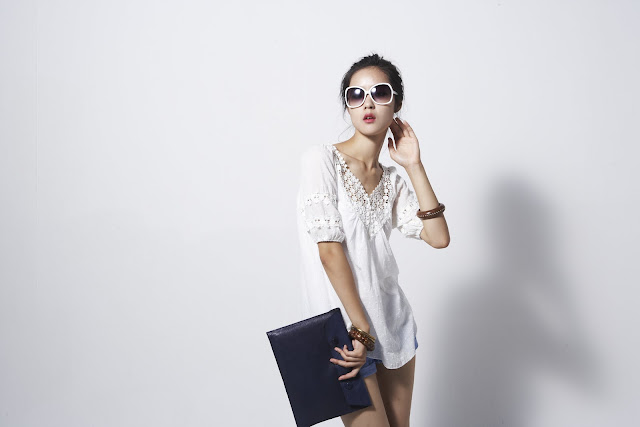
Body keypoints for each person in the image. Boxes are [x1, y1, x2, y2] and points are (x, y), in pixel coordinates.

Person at [295, 53, 450, 427]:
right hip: (345, 331)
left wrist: (413, 165)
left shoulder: (392, 179)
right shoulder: (321, 160)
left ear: (396, 103)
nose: (367, 103)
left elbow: (439, 237)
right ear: (347, 105)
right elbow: (329, 251)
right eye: (355, 95)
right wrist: (360, 329)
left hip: (393, 325)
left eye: (379, 93)